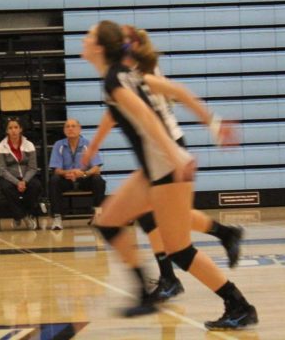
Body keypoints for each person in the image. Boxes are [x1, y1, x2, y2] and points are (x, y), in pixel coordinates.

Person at [81, 20, 257, 330]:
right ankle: (146, 291)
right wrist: (213, 124)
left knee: (179, 249)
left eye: (89, 35)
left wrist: (176, 155)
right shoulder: (123, 74)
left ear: (98, 47)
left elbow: (149, 117)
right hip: (156, 167)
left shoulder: (115, 79)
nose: (84, 39)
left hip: (166, 166)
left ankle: (238, 304)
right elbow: (172, 92)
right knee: (108, 220)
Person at [48, 118, 106, 231]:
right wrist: (67, 173)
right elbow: (56, 169)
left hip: (84, 178)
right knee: (54, 180)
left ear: (80, 129)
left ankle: (98, 215)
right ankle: (57, 217)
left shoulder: (88, 144)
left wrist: (84, 173)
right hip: (67, 178)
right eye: (67, 126)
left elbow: (96, 168)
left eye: (73, 126)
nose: (70, 128)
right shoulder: (58, 145)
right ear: (64, 130)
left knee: (98, 180)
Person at [0, 116, 43, 229]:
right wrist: (17, 182)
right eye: (10, 128)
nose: (13, 130)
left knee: (36, 186)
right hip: (9, 178)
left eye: (16, 127)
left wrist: (24, 181)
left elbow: (33, 168)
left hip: (26, 177)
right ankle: (21, 216)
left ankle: (20, 215)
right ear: (7, 131)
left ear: (21, 129)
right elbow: (2, 170)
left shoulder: (29, 145)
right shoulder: (0, 147)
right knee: (6, 188)